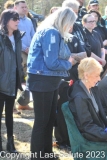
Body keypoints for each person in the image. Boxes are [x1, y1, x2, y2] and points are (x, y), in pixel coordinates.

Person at [27, 7, 77, 159]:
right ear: (64, 20)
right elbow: (52, 63)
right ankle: (37, 155)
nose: (71, 27)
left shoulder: (51, 31)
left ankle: (46, 152)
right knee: (42, 120)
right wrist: (69, 63)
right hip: (43, 80)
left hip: (49, 80)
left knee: (49, 120)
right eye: (70, 23)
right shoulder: (51, 33)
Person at [0, 9, 23, 154]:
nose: (17, 21)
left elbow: (17, 61)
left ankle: (10, 144)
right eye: (14, 18)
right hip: (1, 83)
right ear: (6, 20)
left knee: (10, 114)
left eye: (18, 18)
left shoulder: (18, 36)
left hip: (13, 82)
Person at [14, 0, 35, 110]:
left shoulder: (29, 21)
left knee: (28, 78)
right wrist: (24, 48)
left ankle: (23, 103)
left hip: (30, 53)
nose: (25, 9)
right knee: (16, 77)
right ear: (15, 8)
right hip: (18, 52)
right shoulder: (13, 20)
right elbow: (13, 37)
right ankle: (11, 106)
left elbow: (33, 36)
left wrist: (31, 48)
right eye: (22, 7)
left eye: (26, 7)